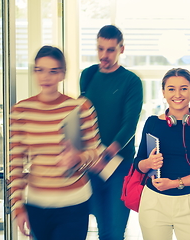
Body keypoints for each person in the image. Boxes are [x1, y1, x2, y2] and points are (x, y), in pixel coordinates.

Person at [8, 45, 103, 240]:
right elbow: (15, 164)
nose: (46, 77)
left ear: (63, 74)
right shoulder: (21, 111)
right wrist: (18, 207)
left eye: (53, 71)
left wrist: (78, 157)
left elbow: (96, 154)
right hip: (37, 205)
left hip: (74, 205)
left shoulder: (80, 107)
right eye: (40, 70)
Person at [134, 68, 190, 240]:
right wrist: (148, 163)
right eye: (171, 89)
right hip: (153, 203)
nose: (177, 94)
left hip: (189, 204)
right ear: (163, 92)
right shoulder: (152, 123)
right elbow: (138, 164)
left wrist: (174, 183)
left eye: (184, 88)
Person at [79, 25, 143, 240]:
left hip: (119, 166)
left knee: (114, 231)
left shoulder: (131, 82)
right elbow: (82, 118)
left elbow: (129, 127)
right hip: (90, 164)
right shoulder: (87, 75)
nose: (104, 55)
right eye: (100, 49)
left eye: (110, 50)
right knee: (94, 225)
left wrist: (105, 155)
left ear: (121, 49)